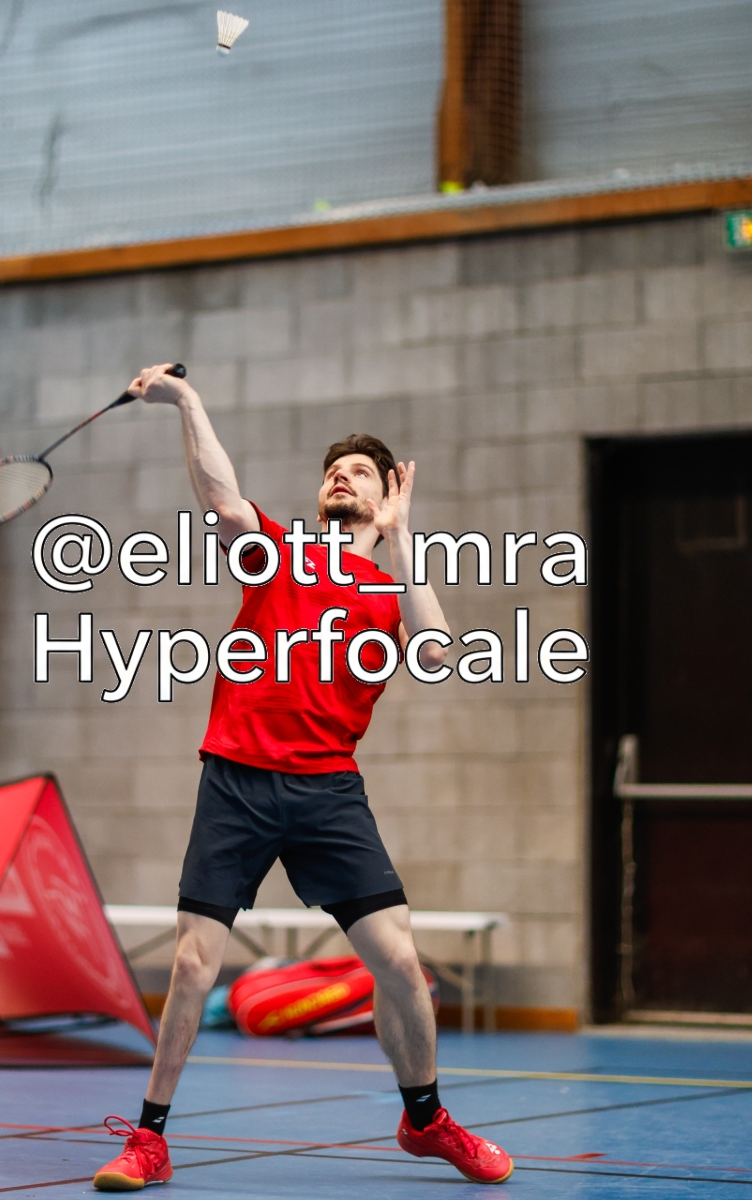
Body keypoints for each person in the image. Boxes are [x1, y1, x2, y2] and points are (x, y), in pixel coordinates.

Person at [92, 364, 513, 1189]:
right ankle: (149, 1138)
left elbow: (436, 652)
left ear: (386, 494)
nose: (340, 477)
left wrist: (403, 535)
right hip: (238, 781)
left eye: (359, 471)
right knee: (191, 965)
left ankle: (425, 1119)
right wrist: (188, 401)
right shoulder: (279, 552)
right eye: (332, 470)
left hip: (327, 791)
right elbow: (220, 499)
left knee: (400, 963)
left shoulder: (390, 593)